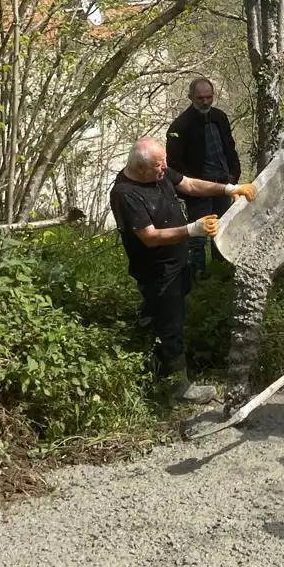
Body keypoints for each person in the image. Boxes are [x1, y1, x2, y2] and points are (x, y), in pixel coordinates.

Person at [109, 137, 256, 404]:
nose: (164, 169)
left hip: (178, 265)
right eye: (158, 166)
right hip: (157, 273)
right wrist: (192, 229)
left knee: (164, 319)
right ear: (141, 169)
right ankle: (178, 388)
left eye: (164, 163)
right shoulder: (125, 194)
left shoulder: (159, 171)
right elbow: (149, 236)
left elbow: (188, 184)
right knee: (169, 325)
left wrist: (228, 188)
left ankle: (151, 369)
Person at [166, 77, 242, 279]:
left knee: (223, 229)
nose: (205, 102)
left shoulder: (220, 117)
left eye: (209, 97)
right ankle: (198, 278)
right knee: (198, 235)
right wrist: (190, 186)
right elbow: (174, 165)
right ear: (191, 97)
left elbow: (230, 148)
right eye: (200, 98)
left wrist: (233, 175)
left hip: (223, 184)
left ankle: (221, 273)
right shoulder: (180, 126)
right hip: (197, 189)